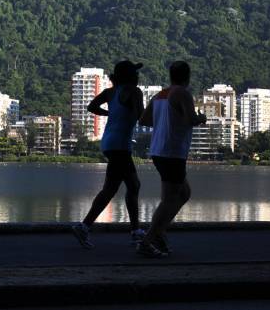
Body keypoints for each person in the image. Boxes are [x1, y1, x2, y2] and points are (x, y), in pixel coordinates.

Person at [71, 60, 146, 249]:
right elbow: (142, 117)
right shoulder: (134, 92)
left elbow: (91, 107)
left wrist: (109, 113)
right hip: (120, 144)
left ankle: (87, 226)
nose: (138, 76)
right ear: (130, 76)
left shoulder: (110, 92)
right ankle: (133, 231)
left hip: (109, 142)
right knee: (125, 186)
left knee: (122, 187)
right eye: (135, 73)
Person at [136, 60, 205, 258]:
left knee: (183, 193)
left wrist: (165, 120)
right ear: (187, 76)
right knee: (169, 199)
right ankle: (149, 240)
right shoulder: (182, 93)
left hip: (159, 151)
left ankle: (158, 232)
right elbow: (190, 120)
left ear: (171, 75)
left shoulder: (160, 95)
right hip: (172, 151)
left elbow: (143, 120)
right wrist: (202, 118)